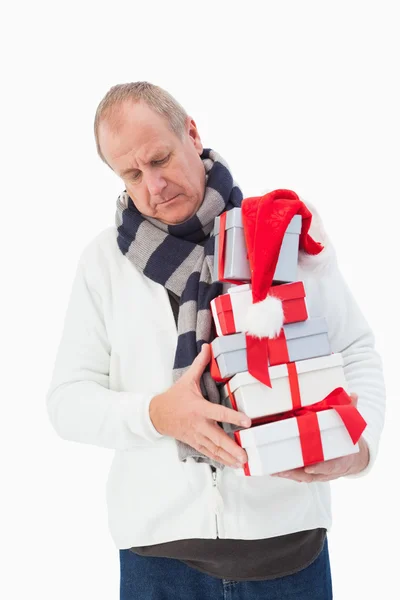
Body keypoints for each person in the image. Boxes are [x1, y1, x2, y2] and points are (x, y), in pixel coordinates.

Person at [46, 81, 386, 600]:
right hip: (159, 564)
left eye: (160, 158)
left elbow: (357, 350)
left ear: (192, 132)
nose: (154, 185)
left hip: (289, 551)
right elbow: (68, 401)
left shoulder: (280, 229)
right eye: (132, 174)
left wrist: (358, 450)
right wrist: (159, 414)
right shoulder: (103, 264)